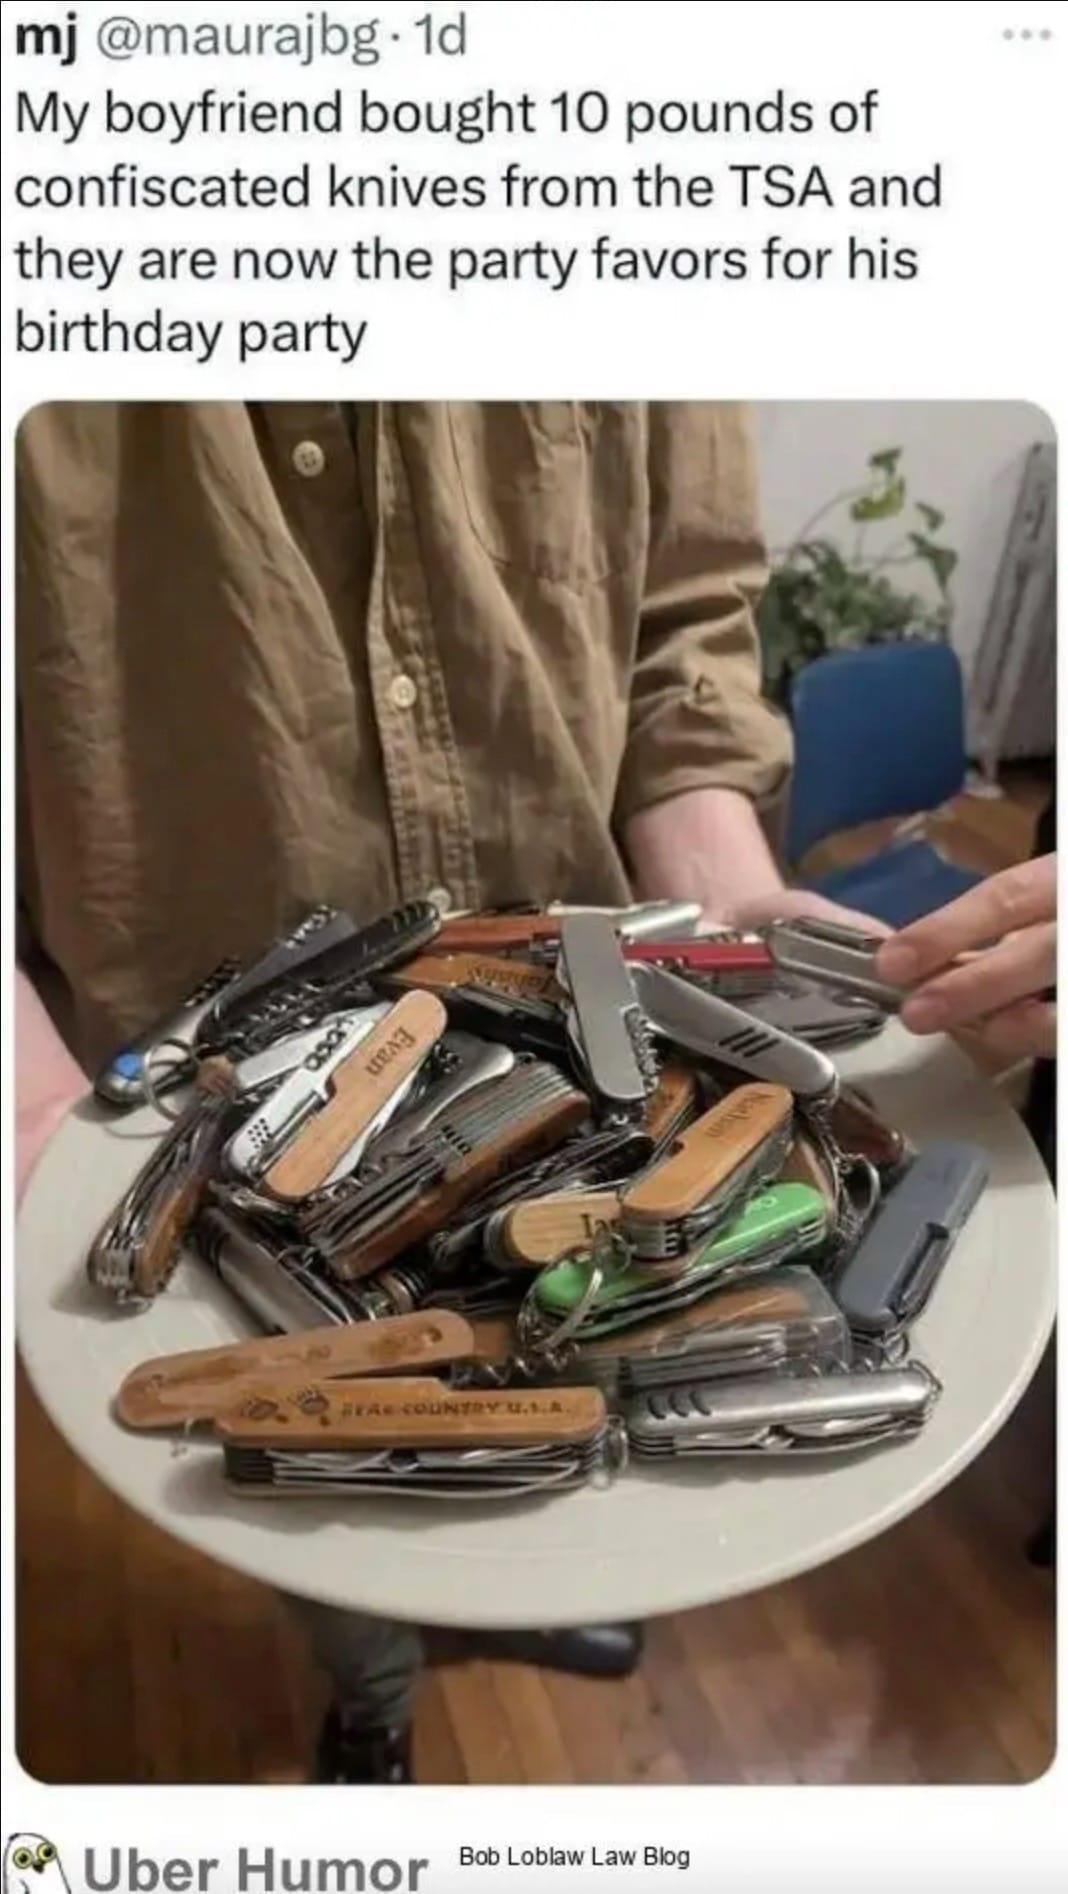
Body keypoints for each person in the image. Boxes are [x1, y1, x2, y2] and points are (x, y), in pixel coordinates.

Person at [14, 401, 1052, 1782]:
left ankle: (532, 1566)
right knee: (311, 1460)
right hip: (200, 1104)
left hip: (600, 1063)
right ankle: (372, 1696)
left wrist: (740, 915)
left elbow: (677, 627)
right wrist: (27, 1090)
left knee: (555, 1403)